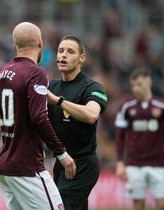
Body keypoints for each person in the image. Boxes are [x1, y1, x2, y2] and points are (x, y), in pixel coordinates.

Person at [0, 22, 76, 210]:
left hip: (4, 168)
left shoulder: (0, 74)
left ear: (15, 46)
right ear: (40, 43)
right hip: (27, 167)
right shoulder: (36, 73)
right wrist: (61, 153)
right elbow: (39, 117)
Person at [47, 35, 108, 210]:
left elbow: (91, 114)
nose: (63, 55)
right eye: (60, 51)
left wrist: (58, 101)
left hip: (83, 164)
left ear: (82, 58)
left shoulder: (92, 87)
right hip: (61, 161)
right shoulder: (52, 86)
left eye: (70, 51)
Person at [115, 69, 164, 210]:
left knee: (162, 204)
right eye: (133, 85)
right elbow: (119, 137)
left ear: (149, 82)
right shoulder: (126, 108)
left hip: (159, 164)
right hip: (134, 164)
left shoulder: (161, 106)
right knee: (138, 205)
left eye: (139, 84)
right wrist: (119, 162)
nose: (136, 89)